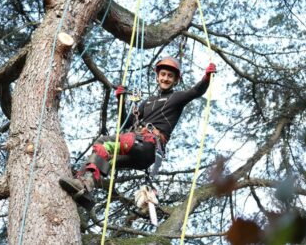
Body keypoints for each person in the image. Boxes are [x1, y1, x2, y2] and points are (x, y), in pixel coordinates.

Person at [59, 56, 216, 210]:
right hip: (137, 149)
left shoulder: (177, 97)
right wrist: (121, 101)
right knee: (106, 160)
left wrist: (206, 77)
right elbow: (126, 124)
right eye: (163, 75)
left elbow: (196, 91)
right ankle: (85, 186)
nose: (166, 78)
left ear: (175, 80)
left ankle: (83, 184)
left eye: (170, 76)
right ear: (157, 77)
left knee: (103, 141)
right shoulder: (147, 102)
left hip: (148, 145)